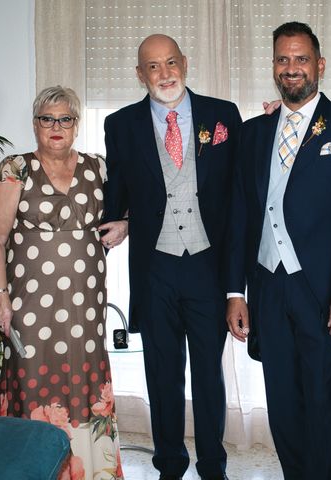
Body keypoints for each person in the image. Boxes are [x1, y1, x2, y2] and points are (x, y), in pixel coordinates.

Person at [226, 22, 331, 479]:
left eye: (300, 59)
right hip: (268, 287)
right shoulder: (253, 133)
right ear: (273, 66)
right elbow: (240, 214)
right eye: (282, 59)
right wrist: (235, 291)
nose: (291, 68)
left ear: (320, 65)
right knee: (282, 404)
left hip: (323, 290)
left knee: (320, 402)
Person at [102, 34, 241, 480]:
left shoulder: (224, 116)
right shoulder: (120, 124)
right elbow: (118, 186)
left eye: (171, 62)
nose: (165, 74)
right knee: (162, 373)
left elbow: (242, 185)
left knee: (208, 375)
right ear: (141, 75)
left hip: (207, 263)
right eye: (153, 67)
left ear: (185, 62)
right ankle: (169, 464)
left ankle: (213, 466)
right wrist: (118, 218)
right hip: (155, 265)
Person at [0, 86, 125, 479]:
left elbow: (128, 207)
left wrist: (125, 224)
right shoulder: (15, 168)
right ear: (35, 124)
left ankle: (90, 471)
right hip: (30, 306)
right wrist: (0, 297)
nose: (56, 126)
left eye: (65, 118)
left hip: (85, 304)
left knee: (84, 379)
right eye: (47, 119)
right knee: (32, 381)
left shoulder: (99, 167)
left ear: (76, 125)